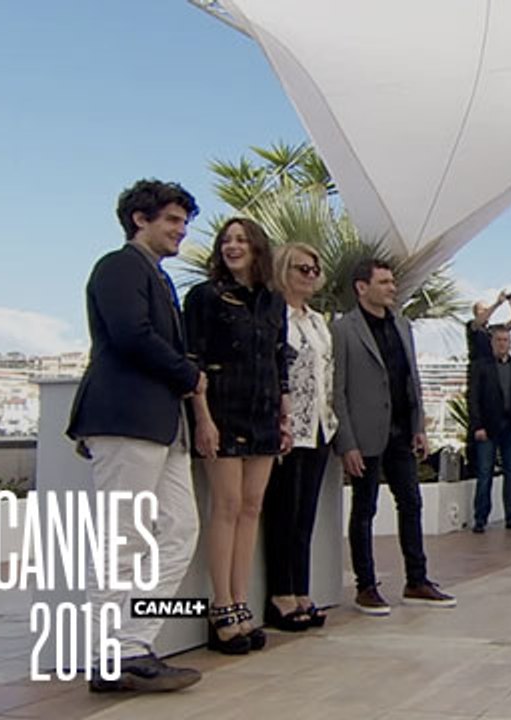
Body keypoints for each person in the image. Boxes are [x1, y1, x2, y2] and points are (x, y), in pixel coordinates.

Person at [67, 179, 204, 692]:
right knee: (122, 538)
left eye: (183, 222)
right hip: (126, 419)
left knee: (179, 530)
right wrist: (188, 374)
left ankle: (133, 643)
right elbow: (131, 335)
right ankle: (109, 655)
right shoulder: (119, 265)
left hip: (160, 425)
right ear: (139, 220)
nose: (181, 231)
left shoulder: (156, 276)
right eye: (171, 220)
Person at [184, 218, 291, 654]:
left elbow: (278, 360)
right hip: (222, 411)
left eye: (241, 240)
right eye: (227, 240)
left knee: (252, 507)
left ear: (257, 248)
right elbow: (194, 358)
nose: (233, 246)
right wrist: (203, 419)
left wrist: (284, 416)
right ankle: (221, 606)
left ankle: (241, 601)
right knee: (225, 506)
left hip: (263, 413)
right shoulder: (204, 297)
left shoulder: (273, 301)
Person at [332, 258, 455, 614]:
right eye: (384, 282)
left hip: (401, 432)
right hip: (365, 436)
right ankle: (366, 586)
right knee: (364, 509)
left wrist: (419, 426)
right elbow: (337, 391)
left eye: (391, 282)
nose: (391, 288)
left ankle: (417, 580)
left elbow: (409, 379)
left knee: (411, 504)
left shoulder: (401, 325)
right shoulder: (345, 330)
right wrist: (348, 443)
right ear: (361, 287)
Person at [263, 242, 337, 631]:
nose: (309, 275)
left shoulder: (317, 321)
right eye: (300, 268)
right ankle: (280, 593)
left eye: (313, 269)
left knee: (305, 515)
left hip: (319, 427)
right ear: (282, 270)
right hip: (289, 428)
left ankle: (301, 588)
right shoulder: (277, 316)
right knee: (283, 513)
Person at [469, 324, 511, 533]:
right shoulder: (481, 366)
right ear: (492, 342)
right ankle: (480, 518)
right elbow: (473, 398)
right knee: (485, 473)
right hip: (487, 428)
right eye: (498, 340)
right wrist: (477, 425)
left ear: (510, 343)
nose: (502, 344)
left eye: (506, 340)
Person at [467, 290, 511, 363]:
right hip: (478, 366)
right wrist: (497, 304)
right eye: (482, 310)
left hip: (492, 367)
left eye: (486, 309)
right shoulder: (472, 325)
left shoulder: (493, 329)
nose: (486, 312)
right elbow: (479, 321)